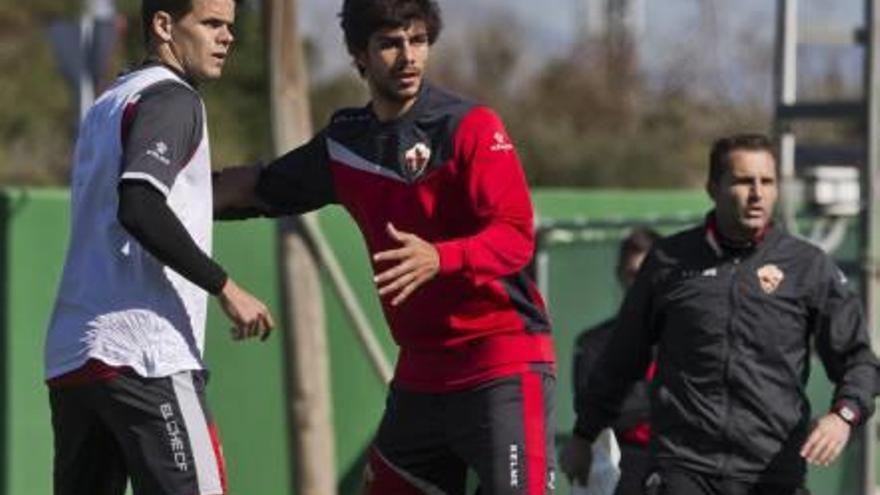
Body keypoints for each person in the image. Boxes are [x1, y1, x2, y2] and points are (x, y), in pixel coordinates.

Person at [214, 0, 556, 493]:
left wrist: (441, 257)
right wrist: (169, 193)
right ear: (359, 54)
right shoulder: (347, 141)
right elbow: (261, 186)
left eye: (417, 41)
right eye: (391, 44)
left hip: (500, 363)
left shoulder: (472, 127)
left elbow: (515, 235)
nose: (408, 57)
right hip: (420, 372)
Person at [561, 133, 879, 495]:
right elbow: (621, 359)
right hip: (685, 467)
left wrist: (843, 416)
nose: (757, 193)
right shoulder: (669, 262)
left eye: (767, 181)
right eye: (744, 181)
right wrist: (584, 435)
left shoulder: (807, 266)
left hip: (771, 471)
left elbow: (858, 360)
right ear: (713, 188)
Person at [44, 1, 274, 494]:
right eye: (211, 24)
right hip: (146, 353)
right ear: (164, 25)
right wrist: (225, 285)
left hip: (74, 355)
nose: (227, 37)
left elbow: (143, 200)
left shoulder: (110, 101)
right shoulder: (175, 98)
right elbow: (140, 206)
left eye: (230, 26)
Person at [561, 227, 660, 495]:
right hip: (625, 460)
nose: (638, 284)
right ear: (619, 275)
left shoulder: (681, 339)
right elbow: (594, 407)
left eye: (646, 275)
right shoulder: (594, 343)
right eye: (632, 275)